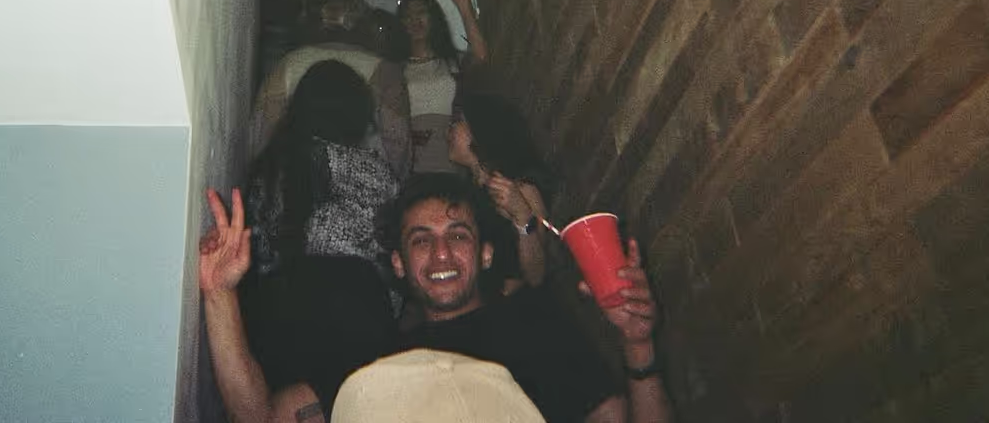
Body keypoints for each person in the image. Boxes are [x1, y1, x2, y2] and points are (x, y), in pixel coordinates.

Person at [199, 174, 673, 422]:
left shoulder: (536, 327)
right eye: (421, 239)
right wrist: (220, 295)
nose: (441, 252)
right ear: (400, 264)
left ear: (486, 254)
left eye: (458, 236)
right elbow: (259, 415)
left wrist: (638, 346)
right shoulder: (374, 359)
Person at [241, 60, 400, 394]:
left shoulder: (266, 172)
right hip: (357, 318)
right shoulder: (371, 172)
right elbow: (390, 252)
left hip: (277, 321)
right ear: (354, 112)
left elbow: (261, 257)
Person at [249, 0, 411, 182]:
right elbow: (397, 140)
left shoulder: (290, 62)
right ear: (365, 27)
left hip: (296, 177)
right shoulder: (385, 70)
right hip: (362, 180)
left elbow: (262, 130)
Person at [447, 91, 556, 293]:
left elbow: (537, 276)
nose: (450, 129)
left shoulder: (522, 189)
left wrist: (522, 215)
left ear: (480, 132)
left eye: (459, 121)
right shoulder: (467, 190)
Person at [398, 0, 487, 174]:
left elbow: (480, 56)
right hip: (415, 161)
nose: (415, 20)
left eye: (421, 12)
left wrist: (463, 6)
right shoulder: (396, 69)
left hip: (454, 155)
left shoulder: (451, 61)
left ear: (433, 18)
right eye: (408, 17)